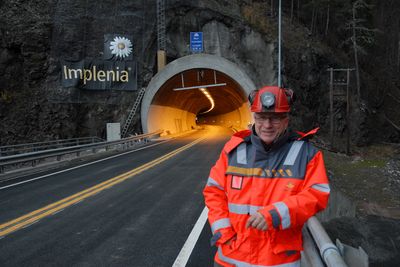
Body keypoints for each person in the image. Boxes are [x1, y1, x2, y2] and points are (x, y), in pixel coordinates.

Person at [203, 86, 330, 267]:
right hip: (230, 258)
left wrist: (277, 214)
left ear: (286, 120)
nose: (267, 125)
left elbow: (317, 195)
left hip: (277, 261)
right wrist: (223, 232)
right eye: (261, 118)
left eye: (275, 118)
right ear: (254, 117)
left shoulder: (307, 154)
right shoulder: (233, 150)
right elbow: (214, 191)